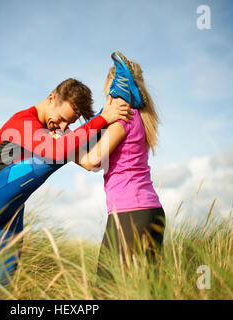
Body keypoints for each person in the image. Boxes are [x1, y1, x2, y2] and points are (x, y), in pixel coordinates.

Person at [0, 78, 132, 295]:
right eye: (63, 118)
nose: (63, 126)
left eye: (70, 123)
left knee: (2, 288)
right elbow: (57, 153)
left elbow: (87, 157)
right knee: (56, 153)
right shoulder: (23, 121)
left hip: (9, 214)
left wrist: (106, 117)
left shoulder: (49, 132)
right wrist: (103, 117)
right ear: (51, 99)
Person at [74, 51, 166, 284]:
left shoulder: (122, 118)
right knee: (148, 290)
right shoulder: (139, 117)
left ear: (112, 84)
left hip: (129, 213)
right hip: (152, 211)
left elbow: (91, 161)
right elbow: (101, 162)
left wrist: (66, 147)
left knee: (106, 289)